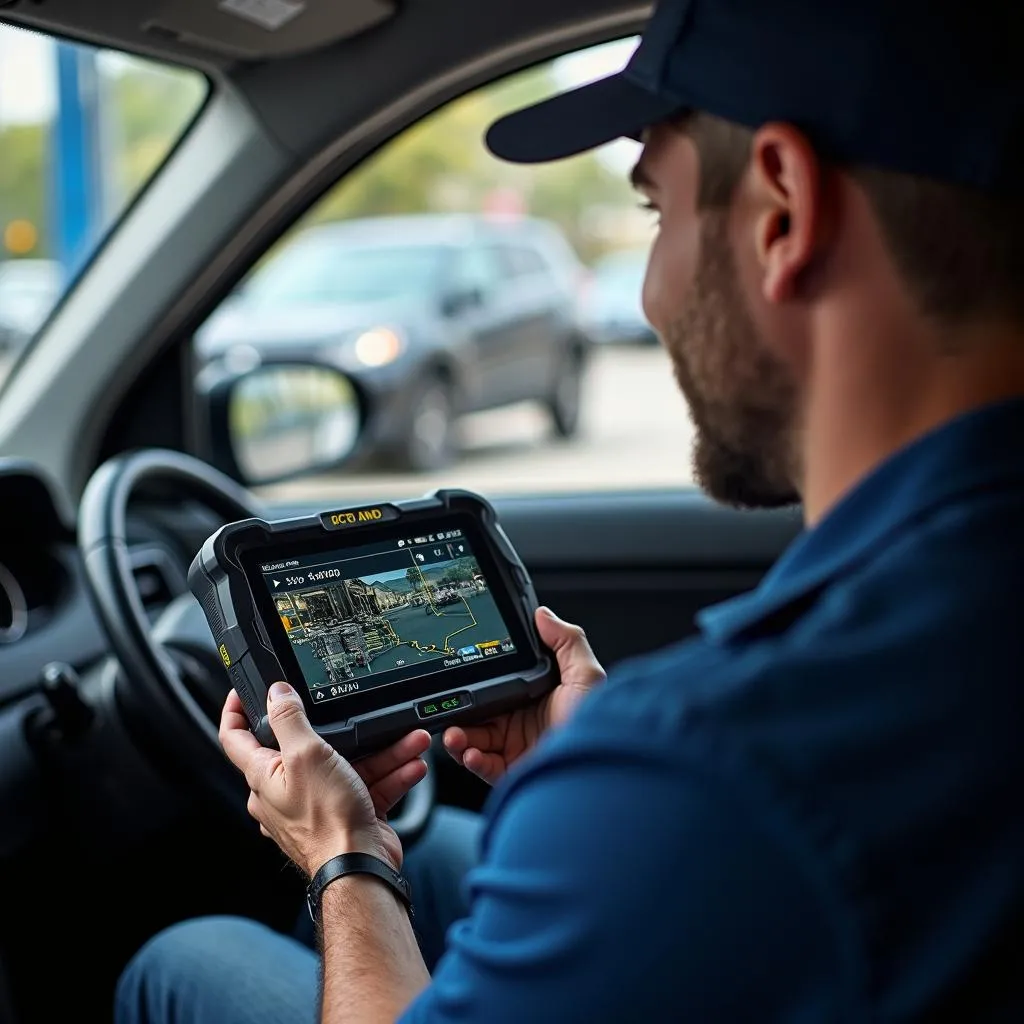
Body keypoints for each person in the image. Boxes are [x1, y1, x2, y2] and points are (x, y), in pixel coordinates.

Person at [117, 0, 1024, 1019]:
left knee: (187, 959)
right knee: (461, 855)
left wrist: (345, 854)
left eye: (658, 214)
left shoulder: (714, 761)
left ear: (780, 211)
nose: (647, 293)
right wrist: (585, 786)